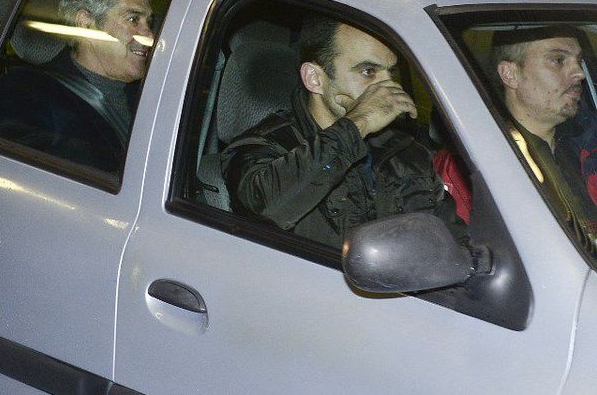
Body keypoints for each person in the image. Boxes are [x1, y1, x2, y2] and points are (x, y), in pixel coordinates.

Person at [221, 15, 466, 250]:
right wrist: (358, 122)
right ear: (315, 78)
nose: (388, 86)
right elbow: (266, 207)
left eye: (390, 72)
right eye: (368, 72)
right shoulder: (263, 146)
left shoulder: (404, 149)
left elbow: (452, 242)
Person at [0, 0, 154, 174]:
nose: (150, 36)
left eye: (149, 22)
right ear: (85, 23)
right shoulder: (24, 94)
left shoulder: (157, 91)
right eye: (133, 19)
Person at [491, 26, 597, 244]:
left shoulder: (585, 147)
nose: (578, 72)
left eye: (578, 60)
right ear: (510, 74)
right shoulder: (482, 160)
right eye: (558, 60)